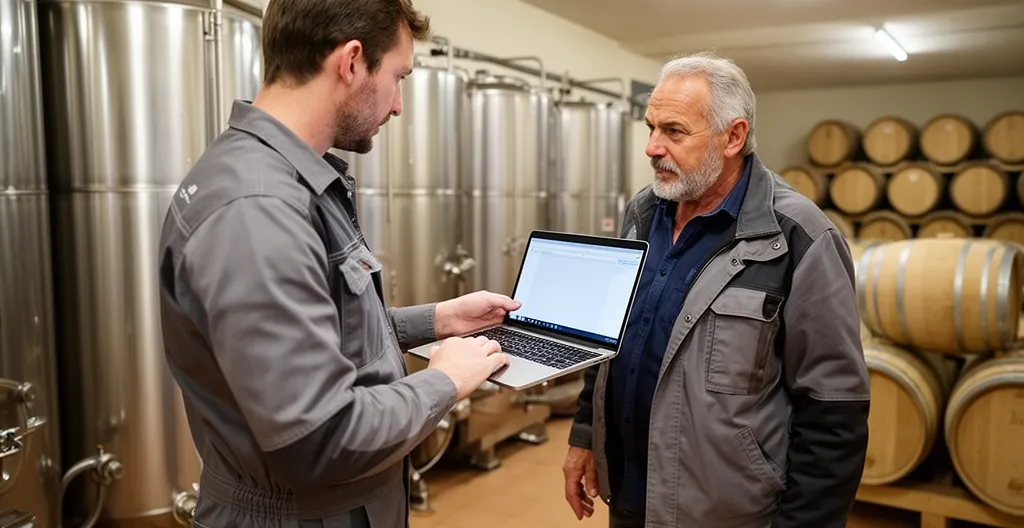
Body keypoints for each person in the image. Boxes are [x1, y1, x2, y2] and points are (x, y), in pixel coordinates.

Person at [156, 0, 516, 526]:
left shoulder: (291, 179)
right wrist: (444, 381)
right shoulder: (260, 210)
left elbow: (319, 336)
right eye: (398, 77)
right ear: (350, 63)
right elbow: (319, 437)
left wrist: (435, 321)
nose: (397, 106)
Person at [562, 52, 871, 528]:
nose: (651, 147)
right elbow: (609, 337)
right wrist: (585, 436)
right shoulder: (643, 213)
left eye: (674, 131)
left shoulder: (797, 237)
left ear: (734, 137)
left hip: (728, 513)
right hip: (628, 497)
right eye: (651, 128)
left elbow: (834, 411)